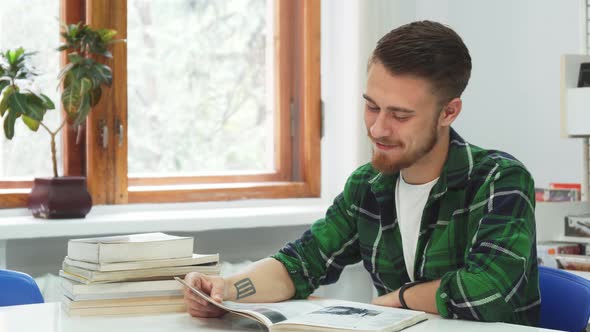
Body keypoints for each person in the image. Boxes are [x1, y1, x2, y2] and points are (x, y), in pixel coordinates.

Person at [183, 20, 540, 326]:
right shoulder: (367, 186)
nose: (378, 128)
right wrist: (226, 290)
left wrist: (393, 300)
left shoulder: (500, 180)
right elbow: (299, 265)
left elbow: (487, 292)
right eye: (371, 106)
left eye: (400, 115)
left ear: (448, 112)